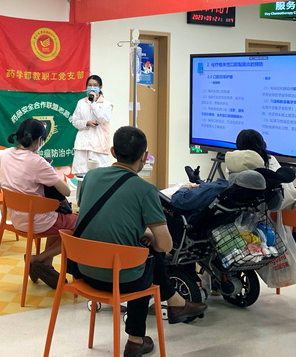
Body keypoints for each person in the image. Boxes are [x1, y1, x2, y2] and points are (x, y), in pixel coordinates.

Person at [76, 126, 207, 357]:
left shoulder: (91, 176)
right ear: (145, 156)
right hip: (120, 280)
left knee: (141, 253)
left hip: (83, 270)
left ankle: (175, 303)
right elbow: (166, 246)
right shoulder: (145, 189)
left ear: (113, 151)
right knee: (148, 257)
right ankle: (136, 339)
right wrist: (150, 237)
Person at [0, 118, 77, 289]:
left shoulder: (5, 154)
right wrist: (52, 172)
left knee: (59, 216)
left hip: (16, 218)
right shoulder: (37, 162)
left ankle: (45, 265)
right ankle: (38, 259)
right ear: (40, 140)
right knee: (81, 225)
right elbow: (66, 191)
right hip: (37, 221)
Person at [71, 74, 114, 174]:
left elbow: (103, 119)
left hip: (98, 146)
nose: (92, 87)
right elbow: (75, 121)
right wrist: (86, 123)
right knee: (81, 175)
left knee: (98, 175)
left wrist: (93, 103)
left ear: (100, 87)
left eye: (95, 85)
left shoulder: (107, 104)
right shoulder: (81, 103)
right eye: (89, 85)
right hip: (83, 145)